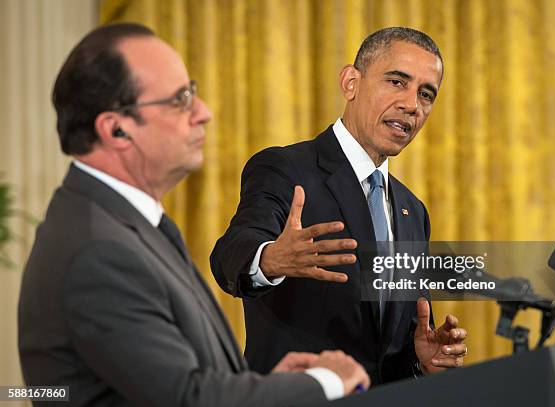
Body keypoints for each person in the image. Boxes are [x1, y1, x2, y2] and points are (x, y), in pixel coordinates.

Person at [18, 23, 370, 407]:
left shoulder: (124, 222)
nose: (203, 112)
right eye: (180, 99)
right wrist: (325, 382)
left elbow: (171, 381)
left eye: (194, 92)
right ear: (116, 130)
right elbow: (188, 400)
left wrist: (269, 385)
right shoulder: (99, 251)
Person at [210, 27, 468, 385]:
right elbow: (230, 255)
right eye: (397, 82)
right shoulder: (285, 169)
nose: (412, 104)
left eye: (426, 94)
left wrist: (421, 361)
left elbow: (397, 337)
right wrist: (269, 259)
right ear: (351, 83)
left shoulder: (413, 210)